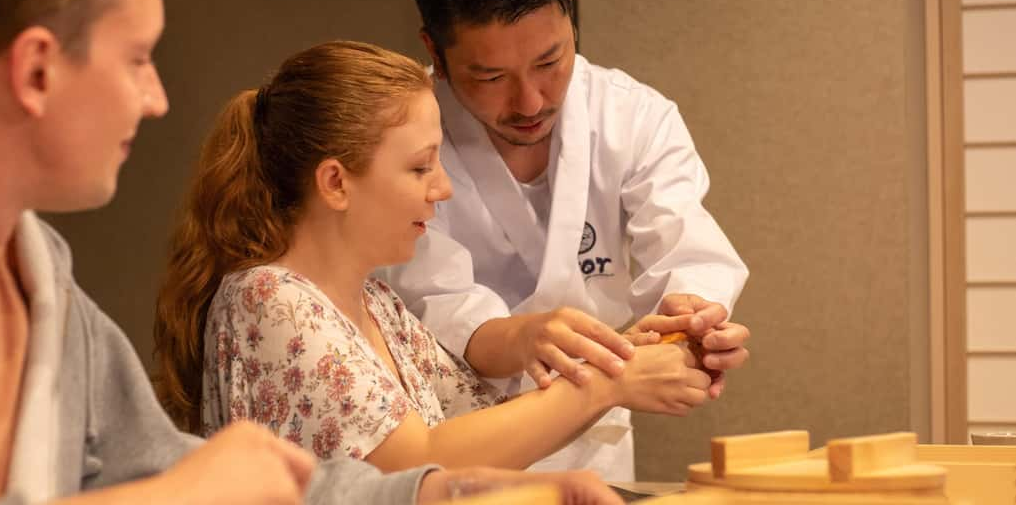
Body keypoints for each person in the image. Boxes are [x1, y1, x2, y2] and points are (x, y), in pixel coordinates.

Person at [0, 0, 618, 504]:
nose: (157, 98)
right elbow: (178, 489)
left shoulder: (41, 286)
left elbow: (196, 475)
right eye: (137, 58)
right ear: (36, 70)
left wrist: (449, 489)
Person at [152, 40, 711, 476]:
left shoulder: (377, 304)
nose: (441, 189)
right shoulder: (269, 300)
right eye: (421, 168)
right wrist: (611, 383)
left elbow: (485, 430)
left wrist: (621, 351)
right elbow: (417, 462)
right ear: (336, 183)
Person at [381, 0, 753, 482]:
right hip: (456, 444)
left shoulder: (631, 117)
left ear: (570, 6)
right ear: (434, 50)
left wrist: (693, 318)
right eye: (491, 77)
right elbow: (434, 298)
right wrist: (523, 337)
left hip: (595, 445)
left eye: (550, 61)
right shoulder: (406, 137)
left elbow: (686, 248)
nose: (529, 102)